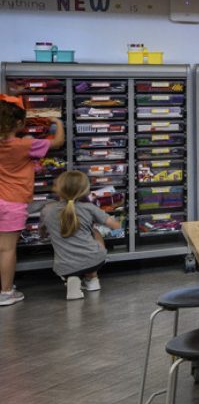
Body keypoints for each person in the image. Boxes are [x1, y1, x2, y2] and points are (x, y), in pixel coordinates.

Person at [0, 95, 64, 308]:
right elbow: (57, 142)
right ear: (19, 123)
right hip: (12, 202)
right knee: (7, 249)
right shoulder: (24, 144)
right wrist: (57, 123)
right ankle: (6, 292)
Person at [39, 169, 120, 300]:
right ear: (85, 191)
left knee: (63, 245)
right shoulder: (89, 208)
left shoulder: (47, 210)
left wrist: (45, 236)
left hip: (64, 266)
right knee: (95, 231)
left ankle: (72, 278)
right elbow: (116, 226)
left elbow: (42, 233)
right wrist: (115, 236)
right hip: (94, 260)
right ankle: (92, 279)